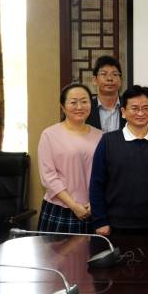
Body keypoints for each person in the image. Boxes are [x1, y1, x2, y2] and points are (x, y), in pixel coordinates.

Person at [89, 85, 148, 235]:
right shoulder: (108, 141)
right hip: (115, 224)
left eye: (145, 108)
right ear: (123, 112)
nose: (140, 113)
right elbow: (96, 183)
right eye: (134, 108)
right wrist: (100, 221)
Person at [37, 83, 102, 233]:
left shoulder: (100, 136)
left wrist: (94, 202)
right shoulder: (50, 135)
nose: (79, 107)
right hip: (60, 208)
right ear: (63, 106)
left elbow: (105, 175)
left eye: (84, 101)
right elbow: (48, 177)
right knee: (55, 249)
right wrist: (73, 205)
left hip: (92, 209)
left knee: (92, 249)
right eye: (73, 102)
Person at [86, 55, 126, 132]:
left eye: (115, 74)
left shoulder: (129, 107)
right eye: (104, 74)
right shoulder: (86, 108)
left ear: (120, 80)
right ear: (95, 80)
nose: (109, 78)